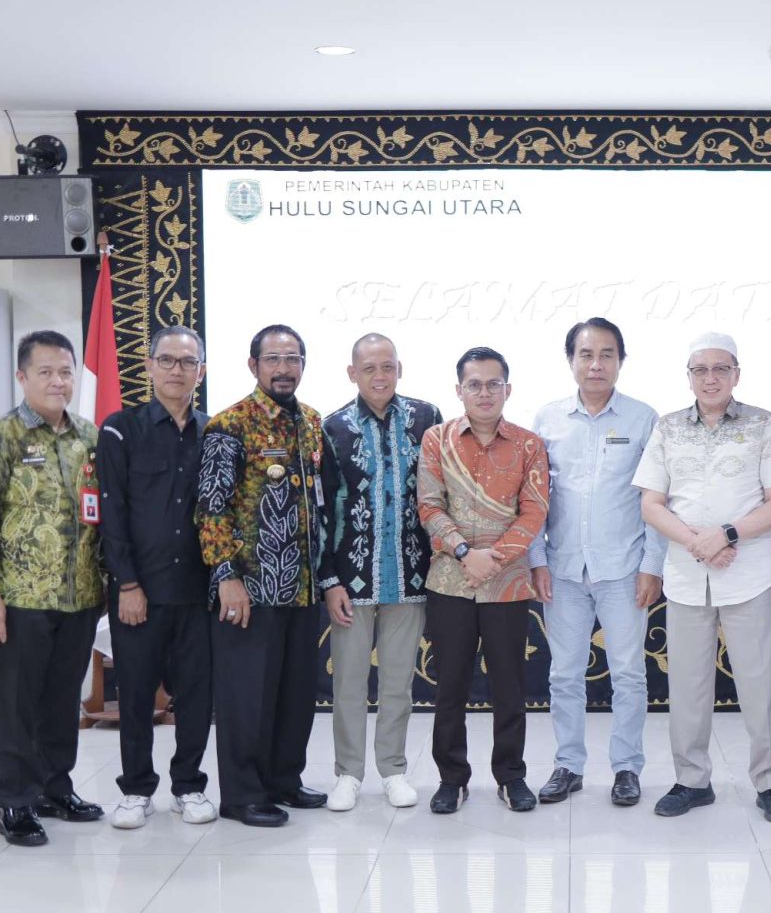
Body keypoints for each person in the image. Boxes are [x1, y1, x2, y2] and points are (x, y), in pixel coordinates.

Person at [634, 332, 771, 823]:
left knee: (761, 684)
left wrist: (727, 534)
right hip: (687, 577)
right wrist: (698, 542)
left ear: (736, 375)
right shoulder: (668, 428)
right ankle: (691, 781)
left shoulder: (763, 424)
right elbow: (651, 504)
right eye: (700, 370)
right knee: (687, 685)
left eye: (721, 369)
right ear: (688, 376)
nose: (711, 378)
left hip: (748, 574)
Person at [0, 329, 106, 847]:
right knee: (15, 705)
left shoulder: (88, 436)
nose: (57, 381)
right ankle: (15, 802)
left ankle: (54, 788)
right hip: (18, 600)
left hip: (79, 595)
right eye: (45, 372)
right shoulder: (0, 438)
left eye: (65, 372)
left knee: (62, 701)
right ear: (22, 377)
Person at [530, 318, 665, 808]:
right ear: (571, 360)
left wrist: (653, 564)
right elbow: (533, 498)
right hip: (563, 570)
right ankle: (568, 765)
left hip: (624, 569)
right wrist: (536, 559)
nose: (596, 364)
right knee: (563, 675)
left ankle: (627, 768)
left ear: (621, 361)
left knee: (628, 674)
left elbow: (658, 497)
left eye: (607, 354)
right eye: (586, 354)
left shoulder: (644, 419)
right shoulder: (547, 420)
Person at [197, 324, 328, 827]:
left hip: (301, 587)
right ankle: (243, 795)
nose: (283, 368)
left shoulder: (310, 421)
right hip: (249, 588)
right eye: (273, 359)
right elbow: (211, 508)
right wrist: (225, 576)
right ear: (254, 365)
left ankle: (283, 781)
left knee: (295, 696)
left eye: (292, 359)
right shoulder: (230, 425)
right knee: (246, 699)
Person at [418, 346, 550, 814]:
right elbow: (429, 505)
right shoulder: (437, 439)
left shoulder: (529, 445)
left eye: (494, 384)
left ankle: (511, 776)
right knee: (449, 686)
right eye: (474, 384)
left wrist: (493, 559)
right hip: (450, 581)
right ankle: (451, 779)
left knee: (510, 686)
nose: (484, 393)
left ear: (508, 389)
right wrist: (463, 552)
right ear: (459, 390)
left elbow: (534, 511)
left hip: (506, 583)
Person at [98, 325, 217, 829]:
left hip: (198, 592)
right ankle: (136, 789)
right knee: (135, 693)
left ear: (201, 372)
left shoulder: (215, 432)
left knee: (196, 696)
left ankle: (188, 785)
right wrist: (127, 584)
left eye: (187, 362)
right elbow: (112, 511)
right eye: (166, 360)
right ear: (148, 366)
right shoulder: (120, 430)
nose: (176, 370)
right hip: (138, 591)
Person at [317, 333, 441, 812]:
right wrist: (330, 580)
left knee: (397, 684)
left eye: (387, 366)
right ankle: (348, 774)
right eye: (369, 368)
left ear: (399, 369)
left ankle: (393, 770)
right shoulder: (332, 428)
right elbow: (323, 511)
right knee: (348, 684)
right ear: (353, 373)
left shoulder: (427, 419)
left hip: (411, 576)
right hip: (351, 582)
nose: (380, 376)